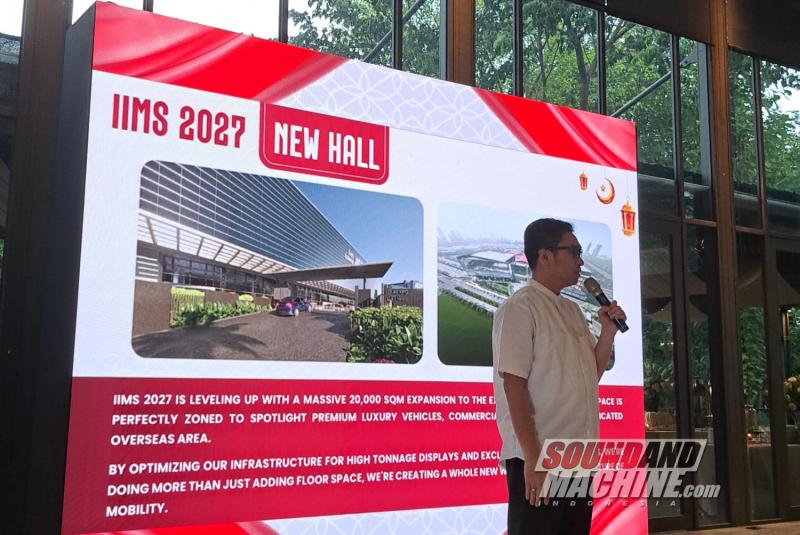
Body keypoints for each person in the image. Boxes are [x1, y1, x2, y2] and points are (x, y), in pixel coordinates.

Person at [492, 218, 626, 535]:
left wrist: (607, 332)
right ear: (545, 255)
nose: (581, 262)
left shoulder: (572, 311)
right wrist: (533, 458)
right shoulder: (519, 308)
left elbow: (589, 376)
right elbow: (513, 385)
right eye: (574, 252)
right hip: (541, 458)